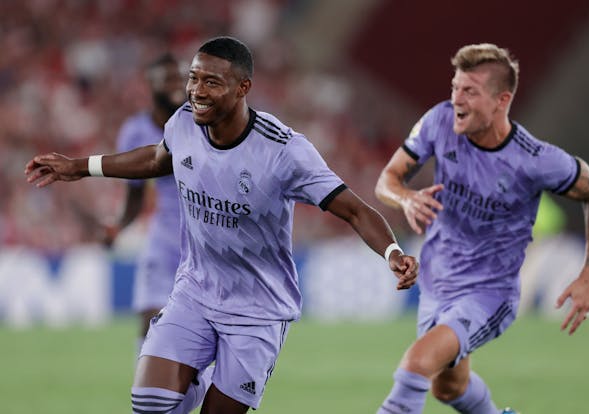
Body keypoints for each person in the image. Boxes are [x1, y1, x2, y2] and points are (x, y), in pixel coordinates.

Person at [25, 36, 419, 414]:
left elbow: (353, 209)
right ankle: (202, 372)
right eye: (193, 78)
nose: (196, 90)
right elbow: (157, 160)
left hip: (258, 309)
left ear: (242, 87)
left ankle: (217, 370)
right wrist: (80, 167)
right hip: (196, 291)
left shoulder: (285, 151)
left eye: (211, 82)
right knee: (149, 402)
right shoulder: (184, 123)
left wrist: (392, 252)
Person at [374, 43, 589, 414]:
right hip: (437, 284)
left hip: (488, 294)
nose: (456, 99)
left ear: (501, 100)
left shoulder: (534, 160)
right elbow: (387, 179)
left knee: (416, 364)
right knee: (449, 388)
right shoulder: (439, 121)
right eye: (455, 87)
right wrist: (406, 198)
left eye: (469, 91)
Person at [102, 53, 186, 353]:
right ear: (151, 86)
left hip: (205, 238)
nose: (177, 85)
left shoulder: (203, 122)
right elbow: (135, 195)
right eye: (168, 79)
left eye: (180, 78)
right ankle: (147, 393)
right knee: (151, 318)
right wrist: (119, 226)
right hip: (164, 237)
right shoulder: (135, 131)